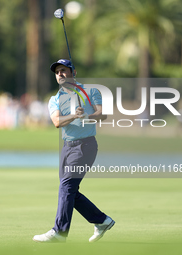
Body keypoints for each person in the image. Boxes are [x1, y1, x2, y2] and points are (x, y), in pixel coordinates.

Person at [33, 59, 115, 243]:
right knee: (69, 190)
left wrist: (87, 115)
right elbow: (56, 122)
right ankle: (102, 220)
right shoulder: (54, 99)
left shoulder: (90, 91)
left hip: (85, 146)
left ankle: (59, 232)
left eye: (63, 70)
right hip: (67, 148)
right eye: (57, 72)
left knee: (67, 187)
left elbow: (102, 114)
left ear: (73, 72)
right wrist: (73, 115)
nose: (60, 74)